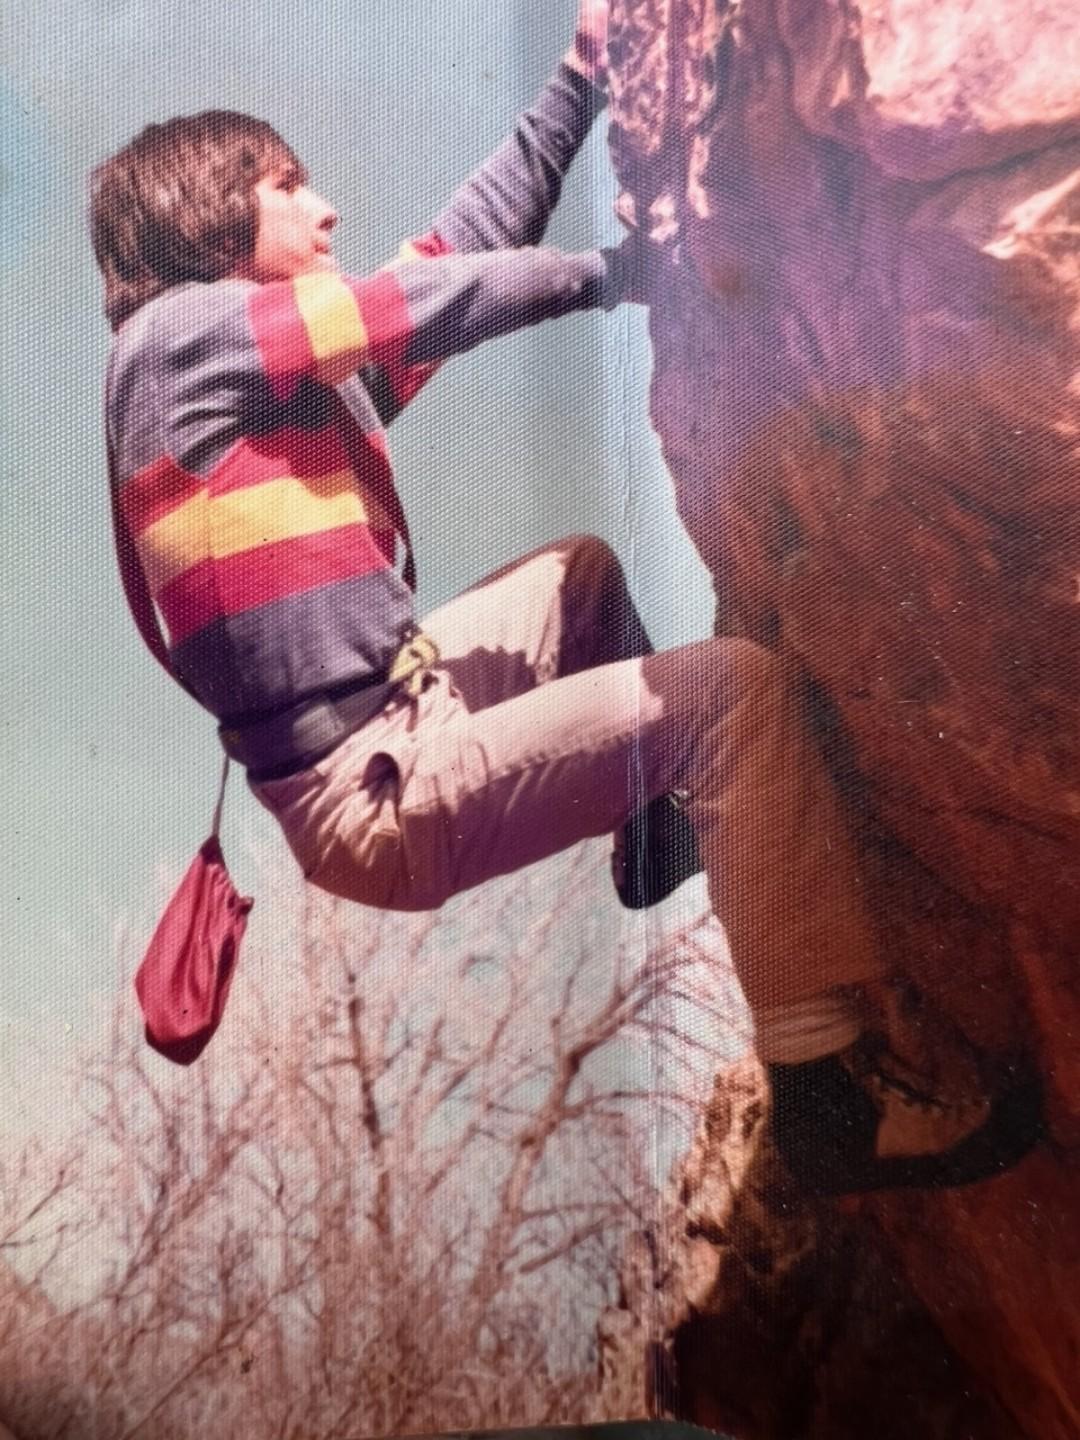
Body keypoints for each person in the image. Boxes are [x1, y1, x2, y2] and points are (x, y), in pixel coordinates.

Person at [90, 1, 1039, 1194]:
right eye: (289, 184)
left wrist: (584, 81)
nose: (324, 205)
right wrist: (623, 274)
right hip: (375, 793)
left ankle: (655, 826)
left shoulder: (261, 385)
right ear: (207, 210)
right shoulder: (174, 345)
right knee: (736, 699)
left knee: (579, 577)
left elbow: (450, 261)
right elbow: (416, 305)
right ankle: (826, 1092)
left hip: (404, 719)